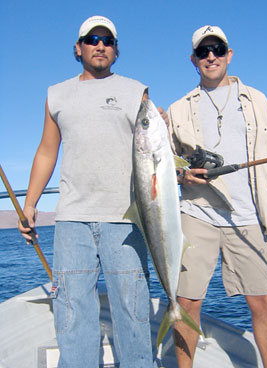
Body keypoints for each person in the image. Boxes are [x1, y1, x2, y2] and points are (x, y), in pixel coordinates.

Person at [167, 25, 267, 368]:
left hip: (247, 216)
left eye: (217, 49)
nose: (211, 57)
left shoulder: (257, 99)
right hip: (197, 211)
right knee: (186, 303)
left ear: (229, 55)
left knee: (264, 303)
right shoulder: (177, 109)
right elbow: (166, 164)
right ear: (193, 60)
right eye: (203, 52)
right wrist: (182, 174)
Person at [18, 15, 162, 368]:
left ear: (115, 51)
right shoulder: (57, 94)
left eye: (108, 40)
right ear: (78, 48)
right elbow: (47, 151)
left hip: (125, 220)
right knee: (72, 312)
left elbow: (156, 153)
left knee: (132, 309)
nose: (100, 45)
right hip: (71, 221)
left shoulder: (136, 91)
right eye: (92, 39)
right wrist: (30, 204)